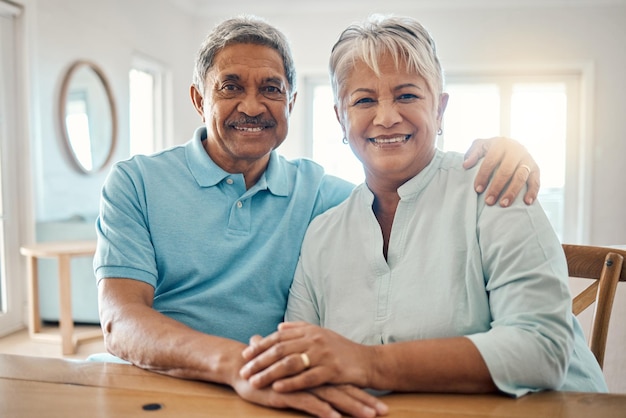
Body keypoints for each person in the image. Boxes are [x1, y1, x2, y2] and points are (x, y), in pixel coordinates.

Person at [94, 15, 542, 418]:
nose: (252, 106)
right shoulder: (136, 183)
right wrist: (239, 366)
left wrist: (505, 152)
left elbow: (400, 192)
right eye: (230, 86)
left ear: (290, 103)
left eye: (271, 89)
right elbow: (121, 322)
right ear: (198, 99)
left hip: (272, 393)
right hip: (156, 384)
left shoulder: (321, 197)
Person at [239, 14, 607, 399]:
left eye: (407, 95)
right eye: (364, 100)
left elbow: (542, 350)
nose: (386, 117)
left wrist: (368, 363)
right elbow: (302, 358)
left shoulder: (494, 186)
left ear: (439, 108)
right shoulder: (322, 234)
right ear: (340, 118)